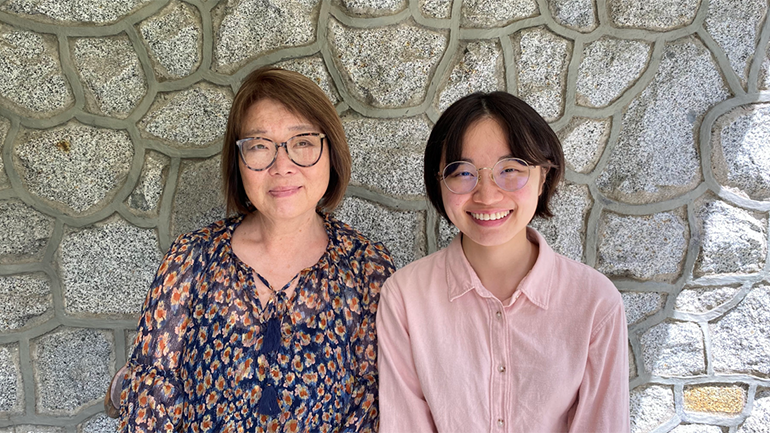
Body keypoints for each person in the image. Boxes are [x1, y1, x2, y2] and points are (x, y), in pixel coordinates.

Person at [107, 67, 395, 433]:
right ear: (238, 162)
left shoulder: (368, 269)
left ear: (331, 152)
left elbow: (373, 409)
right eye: (260, 147)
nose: (282, 166)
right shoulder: (191, 261)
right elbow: (153, 400)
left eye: (302, 142)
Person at [377, 92, 629, 432]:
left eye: (510, 169)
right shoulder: (404, 297)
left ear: (543, 176)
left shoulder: (595, 302)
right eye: (462, 172)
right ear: (439, 183)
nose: (487, 194)